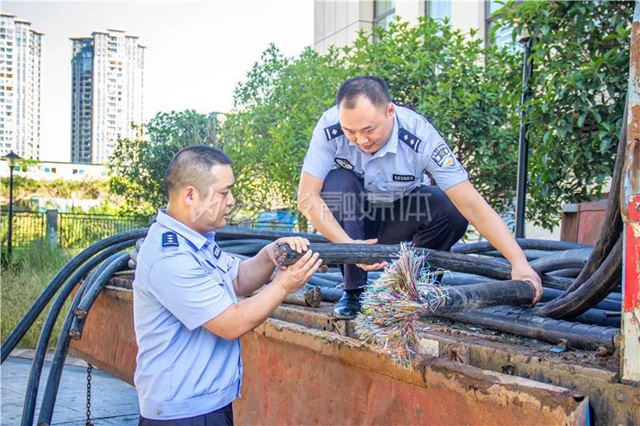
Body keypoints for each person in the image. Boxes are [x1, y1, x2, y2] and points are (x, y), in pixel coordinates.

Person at [297, 75, 542, 320]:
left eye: (368, 130)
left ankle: (414, 289)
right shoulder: (329, 128)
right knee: (338, 182)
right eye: (350, 131)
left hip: (400, 216)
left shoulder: (420, 135)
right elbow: (307, 197)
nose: (360, 140)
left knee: (450, 208)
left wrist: (518, 261)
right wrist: (349, 247)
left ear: (390, 111)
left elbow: (471, 203)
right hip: (350, 225)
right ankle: (354, 291)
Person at [133, 145, 322, 425]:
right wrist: (284, 285)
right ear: (190, 195)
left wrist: (270, 254)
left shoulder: (197, 241)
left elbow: (238, 280)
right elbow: (230, 324)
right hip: (183, 415)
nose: (231, 201)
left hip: (206, 405)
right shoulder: (171, 257)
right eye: (224, 193)